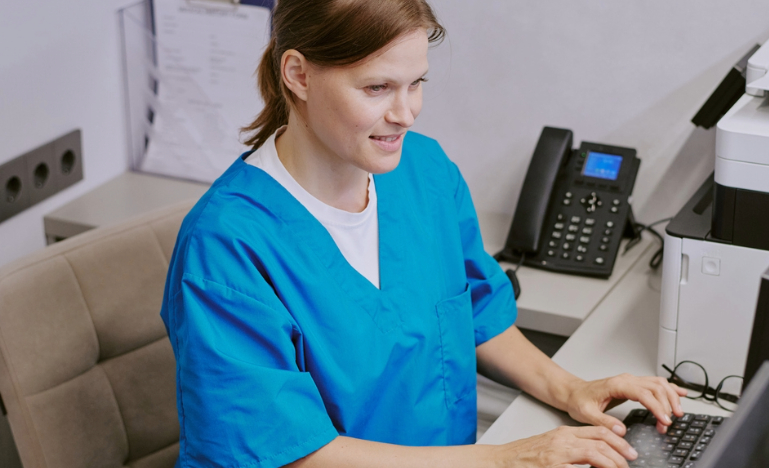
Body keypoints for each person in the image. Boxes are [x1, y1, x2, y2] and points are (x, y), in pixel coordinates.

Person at [159, 1, 687, 467]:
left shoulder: (425, 173)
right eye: (377, 88)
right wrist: (505, 460)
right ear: (297, 74)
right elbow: (289, 452)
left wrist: (573, 389)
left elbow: (476, 314)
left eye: (416, 84)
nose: (405, 113)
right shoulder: (226, 245)